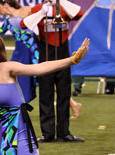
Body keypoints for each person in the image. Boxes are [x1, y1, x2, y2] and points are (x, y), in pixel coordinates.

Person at [21, 0, 85, 143]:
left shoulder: (65, 9)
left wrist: (61, 2)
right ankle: (47, 133)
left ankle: (64, 132)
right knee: (46, 94)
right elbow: (23, 25)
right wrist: (41, 12)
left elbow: (79, 14)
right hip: (46, 56)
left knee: (64, 93)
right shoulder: (38, 8)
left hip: (64, 56)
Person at [0, 0, 39, 102]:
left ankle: (72, 103)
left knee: (43, 79)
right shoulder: (8, 21)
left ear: (5, 5)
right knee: (7, 74)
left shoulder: (26, 11)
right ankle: (13, 103)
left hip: (31, 51)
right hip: (19, 52)